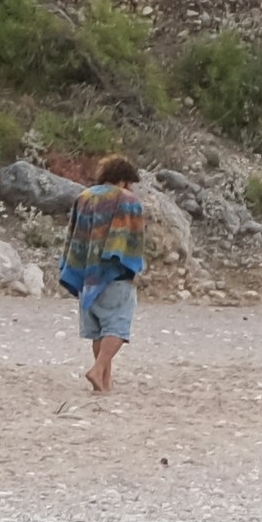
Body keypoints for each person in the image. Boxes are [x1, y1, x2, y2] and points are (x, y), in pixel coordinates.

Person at [51, 151, 150, 402]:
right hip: (113, 274)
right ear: (125, 179)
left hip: (86, 274)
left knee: (98, 330)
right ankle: (97, 370)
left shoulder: (83, 197)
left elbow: (73, 235)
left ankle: (104, 383)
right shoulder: (127, 200)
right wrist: (133, 267)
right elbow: (132, 239)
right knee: (117, 327)